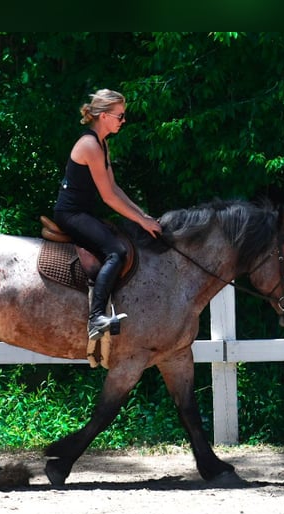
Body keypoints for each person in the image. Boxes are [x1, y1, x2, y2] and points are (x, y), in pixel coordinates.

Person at [54, 88, 162, 340]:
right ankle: (96, 319)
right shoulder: (89, 145)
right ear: (103, 116)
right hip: (71, 214)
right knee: (117, 252)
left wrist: (143, 216)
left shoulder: (101, 144)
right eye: (120, 116)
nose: (123, 121)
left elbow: (115, 188)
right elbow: (108, 197)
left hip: (83, 212)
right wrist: (142, 221)